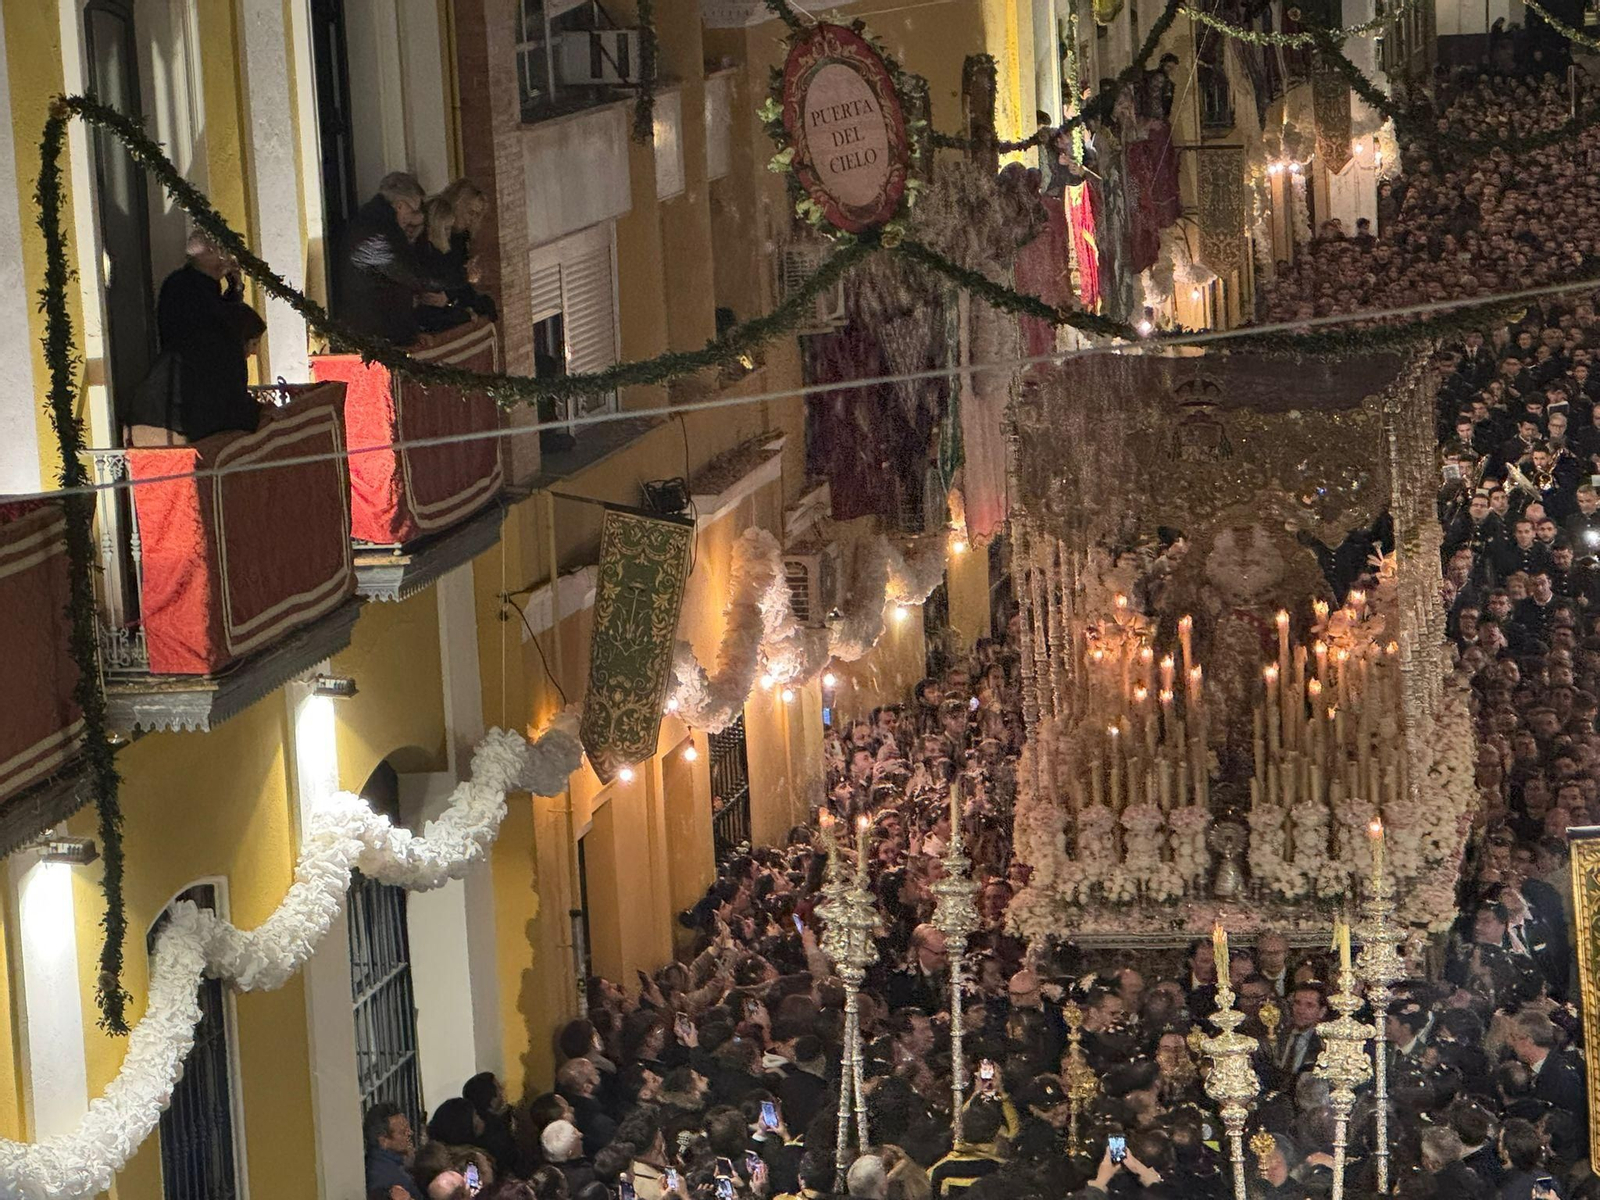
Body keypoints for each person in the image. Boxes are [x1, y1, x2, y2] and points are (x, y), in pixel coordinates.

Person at [137, 229, 264, 441]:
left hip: (209, 391)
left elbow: (229, 321)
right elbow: (223, 326)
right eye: (222, 251)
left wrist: (235, 287)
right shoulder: (184, 286)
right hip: (198, 392)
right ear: (210, 252)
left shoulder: (200, 286)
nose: (227, 257)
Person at [334, 171, 449, 346]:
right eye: (415, 210)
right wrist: (457, 279)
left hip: (379, 331)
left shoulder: (374, 225)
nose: (413, 219)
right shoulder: (378, 233)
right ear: (400, 206)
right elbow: (411, 276)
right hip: (376, 337)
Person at [414, 179, 495, 330]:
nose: (472, 220)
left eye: (476, 215)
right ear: (459, 204)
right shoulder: (434, 224)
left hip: (449, 292)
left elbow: (457, 276)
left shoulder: (461, 237)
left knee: (486, 305)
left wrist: (467, 277)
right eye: (470, 212)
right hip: (429, 298)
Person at [365, 1103, 425, 1200]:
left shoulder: (383, 1164)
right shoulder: (392, 1180)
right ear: (384, 1141)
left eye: (408, 1128)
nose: (410, 1133)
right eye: (403, 1132)